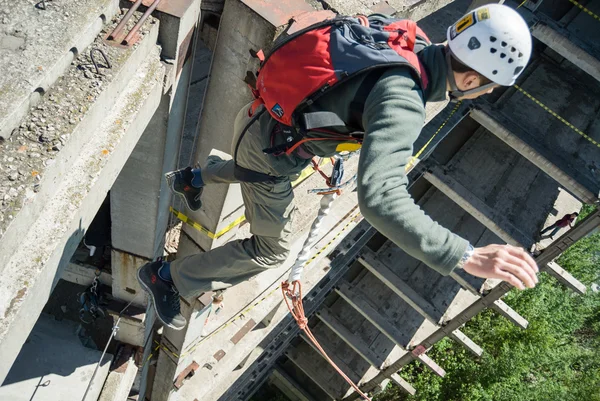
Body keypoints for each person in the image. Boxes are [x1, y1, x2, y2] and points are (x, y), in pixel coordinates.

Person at [138, 4, 539, 330]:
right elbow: (381, 198)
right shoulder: (404, 101)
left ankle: (191, 179)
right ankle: (168, 278)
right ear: (469, 80)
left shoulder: (406, 38)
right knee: (269, 251)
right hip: (272, 150)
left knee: (249, 171)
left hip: (259, 117)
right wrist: (464, 254)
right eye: (486, 87)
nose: (482, 93)